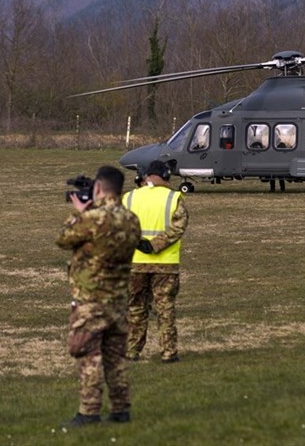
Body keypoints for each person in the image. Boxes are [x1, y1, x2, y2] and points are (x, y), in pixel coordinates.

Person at [55, 166, 141, 429]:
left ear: (99, 188)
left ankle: (89, 411)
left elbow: (63, 239)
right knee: (116, 358)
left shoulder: (93, 218)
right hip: (118, 300)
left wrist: (80, 213)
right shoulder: (131, 219)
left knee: (89, 355)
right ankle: (121, 409)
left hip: (91, 300)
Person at [122, 160, 189, 363]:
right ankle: (168, 353)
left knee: (135, 308)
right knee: (165, 309)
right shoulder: (174, 197)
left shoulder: (129, 197)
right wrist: (155, 245)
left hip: (134, 264)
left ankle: (132, 350)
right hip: (166, 264)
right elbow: (178, 227)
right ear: (166, 175)